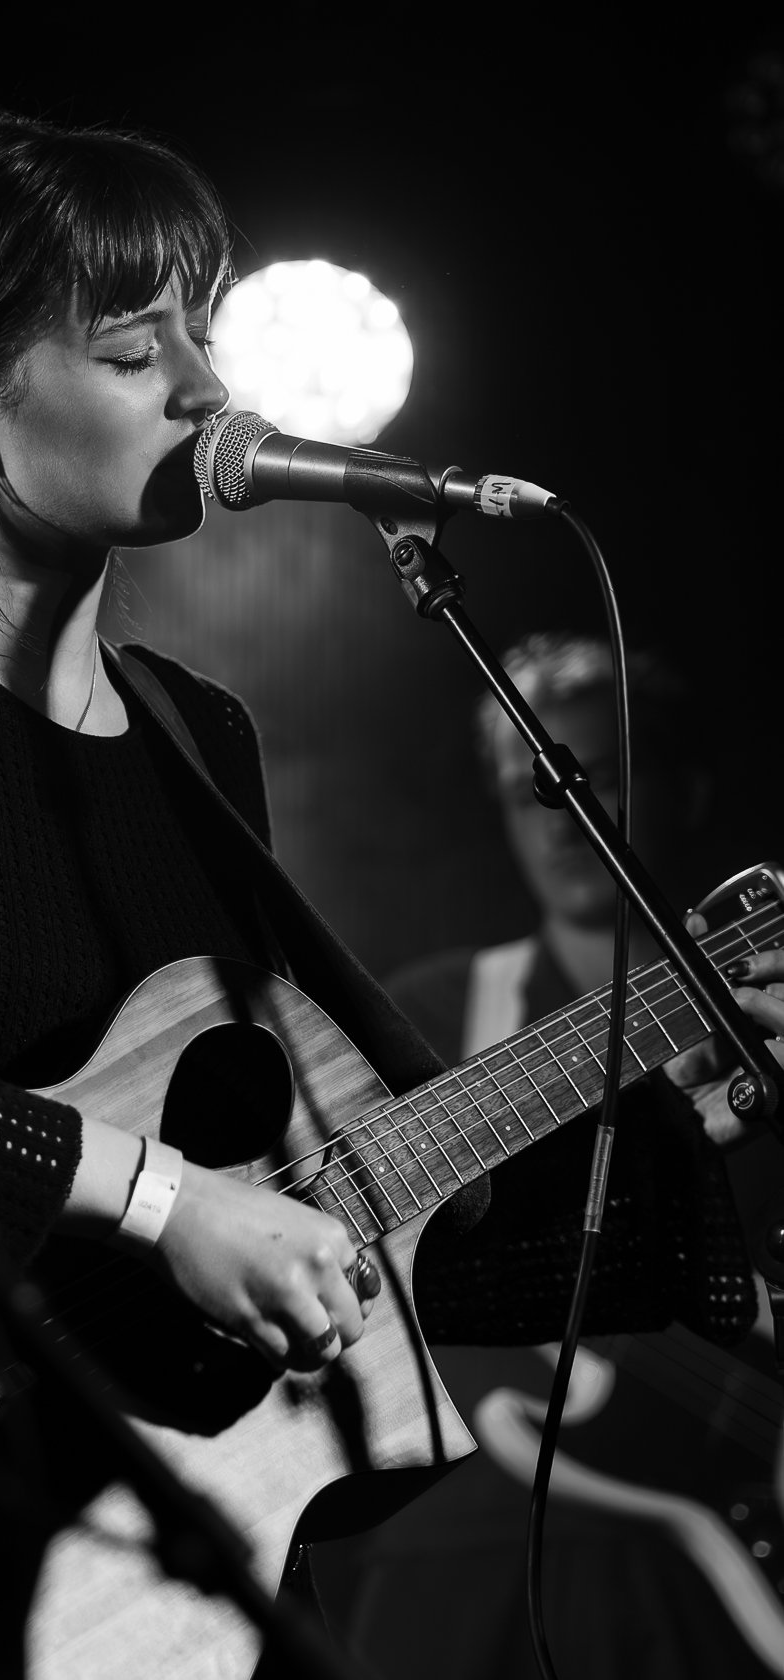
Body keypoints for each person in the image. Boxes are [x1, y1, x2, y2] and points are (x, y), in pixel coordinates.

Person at [0, 114, 780, 1669]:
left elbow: (366, 1230)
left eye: (202, 330)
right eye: (134, 352)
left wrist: (685, 1101)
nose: (209, 388)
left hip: (172, 1588)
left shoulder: (195, 736)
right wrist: (153, 1196)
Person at [316, 631, 784, 1679]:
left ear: (685, 790)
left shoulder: (766, 1020)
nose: (561, 821)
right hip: (487, 1559)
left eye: (596, 777)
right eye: (524, 791)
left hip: (721, 1556)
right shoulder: (432, 1015)